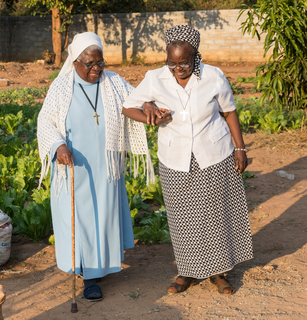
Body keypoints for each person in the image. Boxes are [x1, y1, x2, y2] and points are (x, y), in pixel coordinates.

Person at [123, 25, 253, 295]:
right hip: (175, 158)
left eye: (184, 62)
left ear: (196, 56)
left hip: (214, 154)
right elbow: (128, 106)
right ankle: (187, 271)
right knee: (183, 217)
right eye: (172, 62)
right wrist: (150, 115)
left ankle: (219, 272)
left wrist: (240, 149)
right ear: (166, 58)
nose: (178, 68)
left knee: (215, 214)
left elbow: (229, 111)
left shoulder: (213, 76)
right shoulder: (155, 78)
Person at [37, 32, 163, 301]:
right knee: (80, 217)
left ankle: (101, 264)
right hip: (75, 164)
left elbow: (135, 97)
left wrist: (149, 104)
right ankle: (90, 276)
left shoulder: (113, 82)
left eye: (100, 63)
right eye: (90, 65)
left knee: (104, 214)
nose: (96, 69)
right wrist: (58, 146)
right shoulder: (61, 88)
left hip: (105, 164)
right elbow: (45, 123)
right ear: (75, 62)